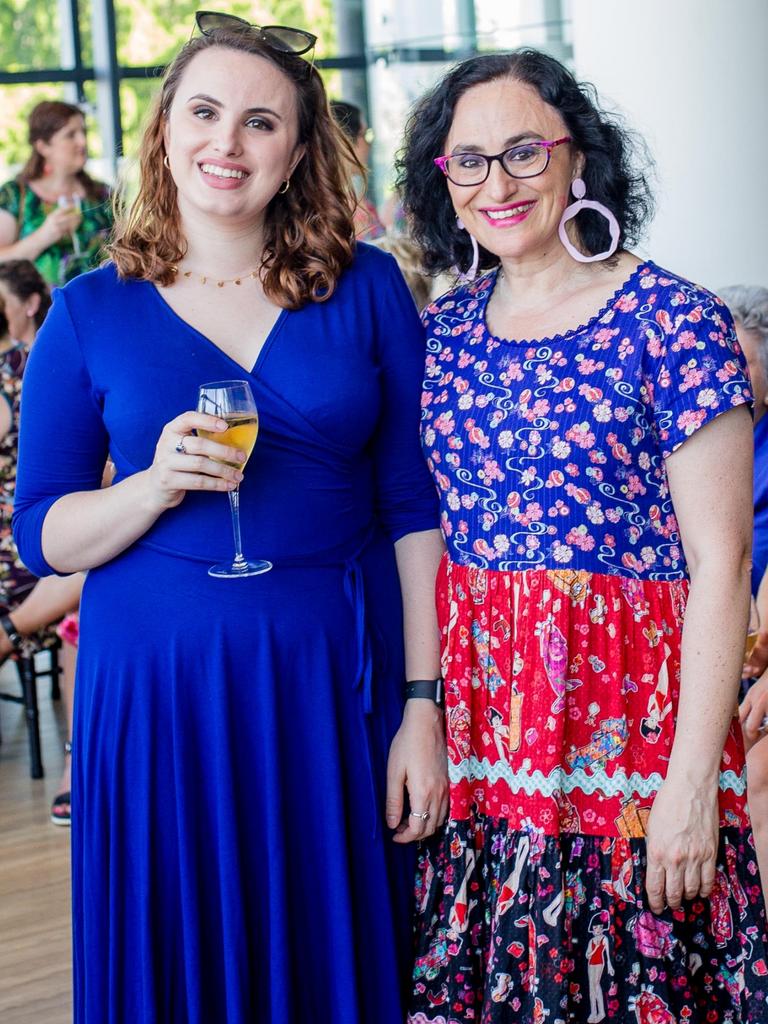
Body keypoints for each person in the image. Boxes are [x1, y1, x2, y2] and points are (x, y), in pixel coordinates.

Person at [13, 14, 447, 1024]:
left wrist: (423, 701)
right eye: (204, 112)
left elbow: (414, 508)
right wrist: (153, 485)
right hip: (158, 691)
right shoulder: (88, 312)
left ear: (298, 151)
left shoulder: (369, 285)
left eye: (261, 123)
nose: (228, 142)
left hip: (333, 681)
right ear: (165, 131)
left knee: (333, 947)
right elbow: (43, 534)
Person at [399, 49, 768, 1020]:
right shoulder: (442, 335)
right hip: (489, 752)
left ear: (579, 161)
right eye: (468, 161)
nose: (498, 182)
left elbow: (721, 569)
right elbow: (427, 540)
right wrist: (424, 709)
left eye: (524, 151)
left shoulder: (675, 322)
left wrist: (696, 782)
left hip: (638, 752)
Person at [0, 260, 84, 824]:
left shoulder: (42, 362)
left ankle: (9, 631)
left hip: (45, 527)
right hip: (21, 522)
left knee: (86, 585)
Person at [724, 286, 768, 899]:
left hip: (754, 665)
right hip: (713, 655)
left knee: (753, 772)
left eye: (742, 362)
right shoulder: (684, 446)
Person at [0, 100, 113, 286]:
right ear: (43, 146)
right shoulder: (13, 195)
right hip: (40, 312)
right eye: (70, 135)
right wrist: (44, 235)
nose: (82, 141)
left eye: (83, 132)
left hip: (104, 306)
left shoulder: (104, 194)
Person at [330, 98, 385, 241]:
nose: (368, 145)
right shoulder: (346, 208)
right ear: (344, 140)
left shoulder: (347, 200)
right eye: (364, 135)